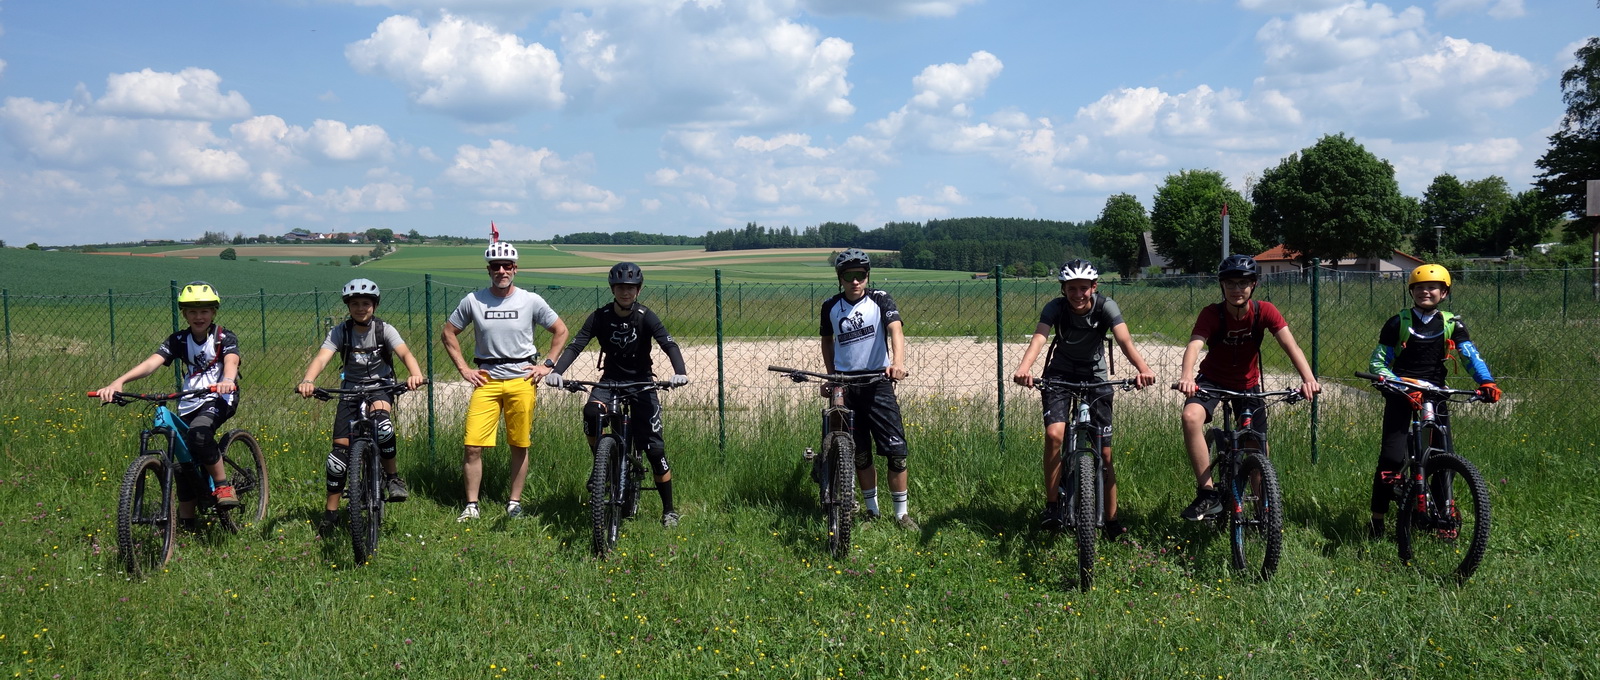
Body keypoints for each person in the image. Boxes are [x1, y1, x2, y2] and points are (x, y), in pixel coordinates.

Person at [1011, 259, 1157, 536]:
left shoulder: (1106, 306)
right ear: (1063, 289)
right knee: (1054, 435)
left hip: (1095, 376)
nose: (1078, 294)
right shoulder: (1055, 308)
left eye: (1083, 288)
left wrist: (1143, 369)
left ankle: (1111, 521)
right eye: (1071, 289)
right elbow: (1039, 338)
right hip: (1060, 374)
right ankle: (1052, 506)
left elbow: (1124, 340)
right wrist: (1024, 368)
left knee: (1105, 452)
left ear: (1094, 287)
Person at [1174, 255, 1320, 521]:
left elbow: (1291, 346)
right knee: (1190, 417)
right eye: (1230, 283)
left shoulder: (1265, 311)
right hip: (1212, 380)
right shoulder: (1212, 313)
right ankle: (1207, 494)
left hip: (1248, 384)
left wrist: (1308, 379)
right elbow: (1195, 344)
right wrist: (1187, 377)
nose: (1236, 289)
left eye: (1243, 283)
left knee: (1257, 448)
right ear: (1222, 285)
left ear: (1254, 285)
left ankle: (1265, 511)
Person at [543, 262, 691, 527]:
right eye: (621, 287)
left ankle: (668, 510)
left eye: (631, 288)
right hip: (610, 381)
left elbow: (668, 344)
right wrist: (557, 371)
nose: (626, 292)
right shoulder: (600, 316)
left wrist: (679, 372)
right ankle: (602, 465)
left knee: (655, 450)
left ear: (638, 290)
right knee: (591, 412)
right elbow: (576, 344)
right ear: (613, 289)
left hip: (642, 383)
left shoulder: (646, 316)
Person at [1364, 264, 1500, 539]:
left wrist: (1486, 381)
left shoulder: (1452, 324)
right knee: (1391, 457)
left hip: (1436, 395)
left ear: (1444, 293)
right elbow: (1378, 363)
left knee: (1442, 457)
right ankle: (1377, 519)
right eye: (1419, 287)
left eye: (1432, 287)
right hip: (1402, 392)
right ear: (1411, 291)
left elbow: (1470, 356)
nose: (1425, 291)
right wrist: (1400, 385)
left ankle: (1443, 517)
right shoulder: (1398, 323)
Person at [95, 281, 242, 530]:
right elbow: (151, 363)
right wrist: (119, 382)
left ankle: (222, 486)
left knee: (199, 433)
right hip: (189, 399)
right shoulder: (178, 340)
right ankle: (187, 523)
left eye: (204, 311)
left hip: (219, 397)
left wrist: (227, 380)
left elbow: (232, 361)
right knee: (183, 463)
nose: (198, 316)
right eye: (192, 311)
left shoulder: (223, 337)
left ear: (213, 312)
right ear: (184, 314)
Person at [441, 241, 569, 522]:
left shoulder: (530, 300)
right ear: (488, 270)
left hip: (521, 380)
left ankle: (514, 503)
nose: (501, 271)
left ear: (515, 269)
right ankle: (471, 506)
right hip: (486, 380)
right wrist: (464, 369)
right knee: (472, 445)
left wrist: (547, 365)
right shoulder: (473, 301)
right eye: (496, 266)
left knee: (519, 444)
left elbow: (560, 330)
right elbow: (448, 333)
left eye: (507, 266)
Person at [296, 279, 428, 538]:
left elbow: (405, 353)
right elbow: (322, 358)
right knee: (337, 458)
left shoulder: (384, 330)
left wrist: (415, 374)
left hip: (380, 388)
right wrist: (308, 380)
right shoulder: (340, 332)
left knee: (383, 427)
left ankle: (393, 478)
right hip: (350, 391)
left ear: (374, 305)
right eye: (355, 304)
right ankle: (330, 515)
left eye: (366, 303)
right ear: (348, 307)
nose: (360, 308)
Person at [818, 248, 919, 530]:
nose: (855, 281)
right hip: (846, 385)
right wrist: (831, 375)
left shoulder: (880, 299)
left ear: (867, 276)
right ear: (840, 278)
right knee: (859, 453)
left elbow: (895, 329)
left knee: (897, 452)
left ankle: (901, 514)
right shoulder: (830, 306)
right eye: (849, 276)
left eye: (860, 275)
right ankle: (871, 511)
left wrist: (897, 363)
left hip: (878, 382)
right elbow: (827, 341)